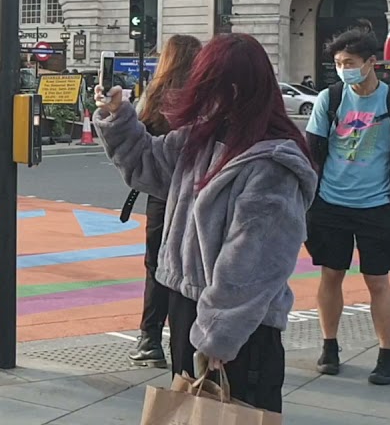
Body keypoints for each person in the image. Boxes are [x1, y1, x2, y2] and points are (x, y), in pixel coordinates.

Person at [93, 33, 316, 414]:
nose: (200, 95)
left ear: (231, 90)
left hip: (242, 322)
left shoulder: (272, 162)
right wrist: (119, 116)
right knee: (191, 410)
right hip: (187, 306)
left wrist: (217, 336)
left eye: (207, 86)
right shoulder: (201, 137)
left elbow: (253, 262)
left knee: (236, 410)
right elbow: (147, 163)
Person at [304, 28, 390, 385]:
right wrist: (313, 201)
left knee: (377, 280)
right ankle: (329, 346)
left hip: (377, 206)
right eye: (339, 63)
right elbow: (313, 153)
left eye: (350, 63)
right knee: (331, 274)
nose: (344, 69)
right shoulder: (331, 98)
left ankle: (387, 356)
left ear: (372, 62)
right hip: (331, 204)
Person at [122, 34, 201, 369]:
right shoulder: (201, 97)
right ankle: (190, 338)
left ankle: (149, 337)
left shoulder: (154, 97)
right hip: (196, 191)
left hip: (160, 193)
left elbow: (138, 142)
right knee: (193, 263)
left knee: (156, 266)